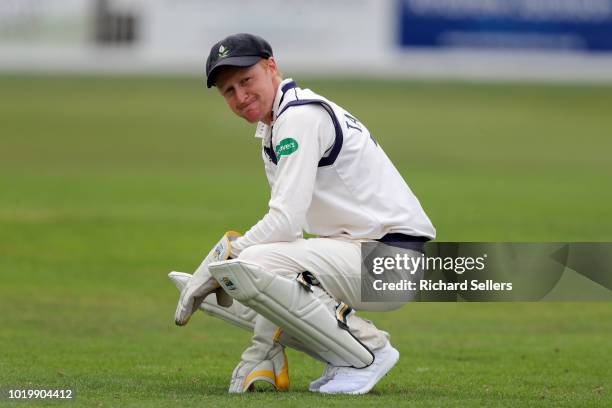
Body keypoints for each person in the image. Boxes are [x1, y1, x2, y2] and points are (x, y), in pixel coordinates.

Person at [173, 33, 436, 395]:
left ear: (272, 67)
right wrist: (232, 262)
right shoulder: (278, 123)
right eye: (228, 91)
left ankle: (369, 349)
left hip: (391, 257)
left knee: (255, 265)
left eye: (246, 81)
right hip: (369, 253)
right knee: (257, 276)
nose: (240, 96)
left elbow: (285, 221)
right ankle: (304, 358)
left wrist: (230, 255)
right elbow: (287, 234)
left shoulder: (298, 118)